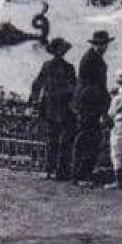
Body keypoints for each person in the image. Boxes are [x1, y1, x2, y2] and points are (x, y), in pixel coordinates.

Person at [29, 38, 77, 180]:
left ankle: (51, 170)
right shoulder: (67, 67)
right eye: (60, 50)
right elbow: (73, 87)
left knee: (53, 140)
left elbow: (37, 84)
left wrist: (33, 100)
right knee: (60, 140)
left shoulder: (50, 66)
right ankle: (58, 170)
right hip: (61, 107)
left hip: (53, 107)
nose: (60, 53)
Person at [70, 29, 112, 185]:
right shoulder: (94, 61)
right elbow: (97, 86)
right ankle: (81, 175)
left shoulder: (91, 57)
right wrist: (106, 103)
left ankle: (82, 173)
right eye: (100, 45)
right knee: (88, 138)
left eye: (105, 44)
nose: (103, 48)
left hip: (86, 102)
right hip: (90, 104)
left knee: (87, 137)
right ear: (95, 45)